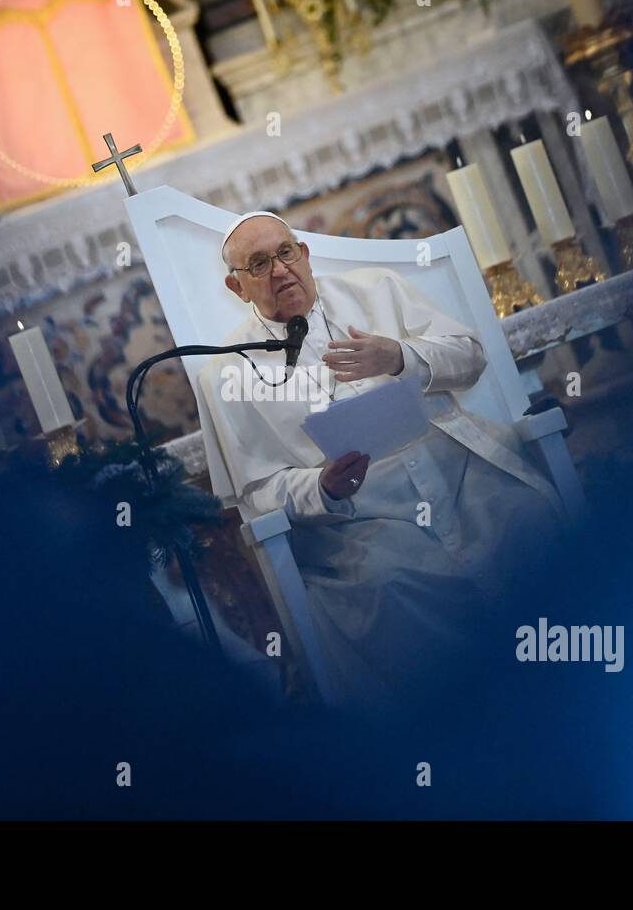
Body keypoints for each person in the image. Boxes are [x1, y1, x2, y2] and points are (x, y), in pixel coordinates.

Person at [196, 212, 568, 709]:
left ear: (304, 254)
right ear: (235, 286)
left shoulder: (379, 290)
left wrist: (398, 357)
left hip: (461, 475)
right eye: (258, 264)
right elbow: (256, 492)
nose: (279, 270)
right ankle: (468, 731)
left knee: (531, 520)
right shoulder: (226, 370)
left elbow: (470, 354)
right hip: (360, 528)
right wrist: (321, 487)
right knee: (388, 591)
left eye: (285, 253)